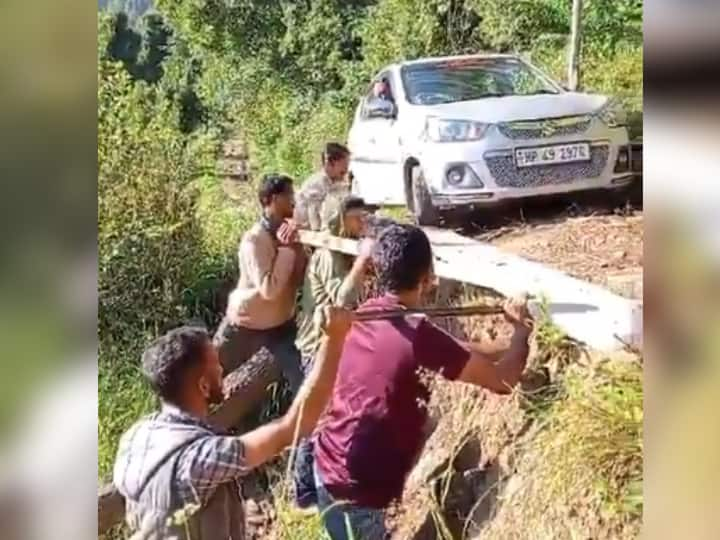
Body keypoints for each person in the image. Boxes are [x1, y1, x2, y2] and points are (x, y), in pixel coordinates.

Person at [313, 223, 534, 540]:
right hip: (355, 491)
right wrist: (523, 333)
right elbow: (504, 381)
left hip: (326, 467)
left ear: (379, 271)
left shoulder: (368, 314)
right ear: (428, 275)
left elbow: (449, 350)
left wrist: (505, 345)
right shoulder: (415, 333)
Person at [113, 306, 353, 540]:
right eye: (216, 364)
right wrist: (334, 340)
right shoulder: (202, 459)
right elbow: (293, 427)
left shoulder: (135, 436)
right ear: (204, 386)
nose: (221, 369)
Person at [292, 195, 377, 511]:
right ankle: (305, 492)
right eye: (357, 218)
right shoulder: (330, 255)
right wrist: (360, 264)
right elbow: (341, 300)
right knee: (317, 417)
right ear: (340, 220)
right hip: (320, 347)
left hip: (339, 344)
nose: (362, 224)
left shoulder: (346, 250)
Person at [214, 174, 307, 394]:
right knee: (209, 373)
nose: (293, 200)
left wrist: (297, 248)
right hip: (245, 323)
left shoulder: (288, 233)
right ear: (273, 199)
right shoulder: (254, 240)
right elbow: (269, 289)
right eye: (288, 195)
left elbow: (300, 277)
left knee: (302, 380)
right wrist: (286, 250)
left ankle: (309, 427)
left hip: (281, 323)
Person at [294, 142, 350, 231]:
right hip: (308, 230)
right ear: (329, 164)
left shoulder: (337, 182)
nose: (347, 167)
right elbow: (313, 213)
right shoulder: (316, 183)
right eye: (344, 163)